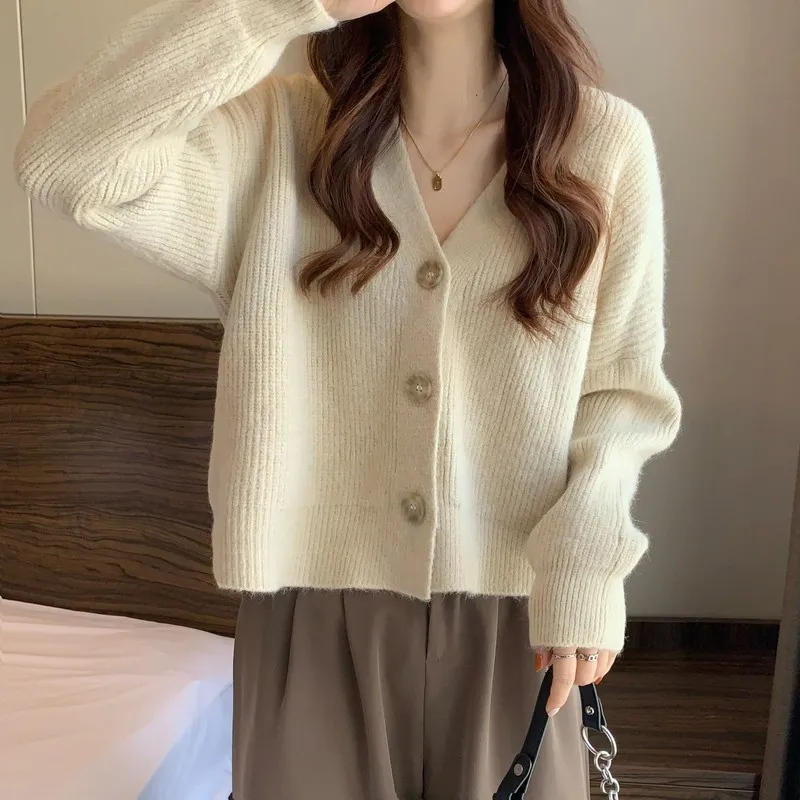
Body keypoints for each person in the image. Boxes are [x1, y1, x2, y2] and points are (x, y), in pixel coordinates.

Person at [14, 0, 682, 797]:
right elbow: (65, 162)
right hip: (310, 617)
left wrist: (583, 565)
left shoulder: (601, 143)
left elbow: (620, 396)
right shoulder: (278, 135)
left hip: (523, 615)